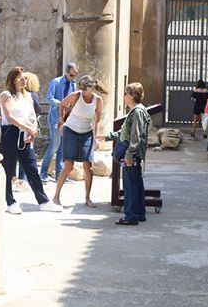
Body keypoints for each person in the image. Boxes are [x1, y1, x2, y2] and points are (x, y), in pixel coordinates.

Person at [0, 67, 58, 215]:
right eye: (21, 78)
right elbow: (10, 117)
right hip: (10, 134)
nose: (24, 80)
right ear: (13, 80)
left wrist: (34, 129)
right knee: (8, 169)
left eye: (24, 77)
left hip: (25, 134)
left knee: (32, 168)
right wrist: (28, 128)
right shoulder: (6, 96)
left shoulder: (28, 96)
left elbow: (32, 114)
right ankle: (10, 201)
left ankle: (43, 201)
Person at [52, 75, 105, 209]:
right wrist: (62, 122)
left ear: (92, 88)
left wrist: (97, 135)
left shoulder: (98, 100)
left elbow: (98, 119)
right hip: (71, 130)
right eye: (81, 88)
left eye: (85, 89)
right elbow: (62, 104)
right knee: (69, 165)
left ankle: (87, 198)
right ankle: (56, 196)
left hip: (86, 132)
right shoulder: (76, 95)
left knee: (88, 166)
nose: (83, 91)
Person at [107, 82, 151, 226]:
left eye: (126, 94)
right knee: (136, 183)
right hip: (133, 153)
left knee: (130, 186)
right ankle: (139, 213)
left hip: (131, 154)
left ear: (132, 96)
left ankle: (130, 216)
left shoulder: (137, 112)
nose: (124, 97)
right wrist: (109, 136)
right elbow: (126, 132)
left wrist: (129, 155)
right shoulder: (137, 111)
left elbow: (135, 136)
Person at [41, 63, 78, 182]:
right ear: (66, 72)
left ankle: (60, 175)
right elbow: (49, 98)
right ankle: (43, 173)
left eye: (75, 75)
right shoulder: (55, 82)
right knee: (54, 146)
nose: (73, 78)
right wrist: (62, 103)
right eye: (71, 75)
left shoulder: (73, 84)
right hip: (55, 119)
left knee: (63, 148)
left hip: (67, 120)